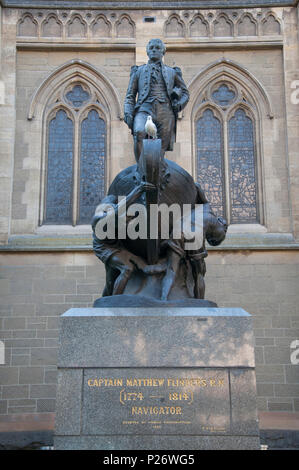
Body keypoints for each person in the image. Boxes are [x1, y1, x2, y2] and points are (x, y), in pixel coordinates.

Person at [92, 181, 165, 297]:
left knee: (113, 277)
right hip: (105, 249)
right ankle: (115, 302)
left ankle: (106, 299)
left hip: (118, 246)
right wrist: (138, 190)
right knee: (127, 268)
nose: (127, 219)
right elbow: (116, 213)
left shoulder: (116, 215)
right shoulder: (100, 218)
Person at [124, 38, 189, 161]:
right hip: (144, 109)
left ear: (163, 52)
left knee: (161, 147)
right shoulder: (138, 71)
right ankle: (140, 167)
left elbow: (185, 93)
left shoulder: (172, 72)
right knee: (139, 132)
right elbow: (130, 96)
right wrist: (127, 112)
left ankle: (158, 169)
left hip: (165, 110)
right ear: (147, 51)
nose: (154, 50)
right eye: (151, 48)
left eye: (157, 48)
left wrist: (179, 105)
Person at [161, 203, 228, 301]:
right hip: (195, 233)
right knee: (199, 274)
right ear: (222, 225)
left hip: (178, 230)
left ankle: (163, 299)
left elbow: (197, 188)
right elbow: (216, 238)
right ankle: (200, 304)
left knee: (171, 270)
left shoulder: (205, 207)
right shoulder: (218, 226)